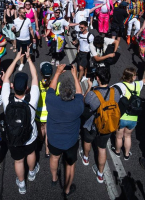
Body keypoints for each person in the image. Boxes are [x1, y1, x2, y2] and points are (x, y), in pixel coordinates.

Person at [1, 48, 40, 195]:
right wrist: (29, 59)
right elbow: (35, 76)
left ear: (12, 87)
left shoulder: (7, 99)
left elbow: (6, 78)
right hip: (30, 135)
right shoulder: (32, 98)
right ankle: (31, 172)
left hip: (13, 137)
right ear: (27, 88)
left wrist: (17, 58)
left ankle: (22, 184)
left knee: (18, 161)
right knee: (31, 153)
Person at [46, 64, 84, 197]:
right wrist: (75, 75)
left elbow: (51, 89)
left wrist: (57, 73)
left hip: (54, 139)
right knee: (70, 165)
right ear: (72, 93)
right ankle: (67, 189)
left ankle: (54, 179)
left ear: (60, 92)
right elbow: (80, 94)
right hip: (71, 142)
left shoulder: (51, 101)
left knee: (54, 158)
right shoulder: (78, 106)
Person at [80, 67, 121, 183]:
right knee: (102, 148)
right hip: (108, 125)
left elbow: (85, 101)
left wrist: (89, 87)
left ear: (97, 78)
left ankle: (86, 158)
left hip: (93, 125)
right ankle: (100, 174)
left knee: (87, 141)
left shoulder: (93, 94)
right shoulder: (115, 92)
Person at [112, 68, 145, 160]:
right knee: (127, 136)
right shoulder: (137, 85)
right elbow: (143, 81)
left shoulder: (120, 85)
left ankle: (117, 151)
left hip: (122, 116)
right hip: (133, 117)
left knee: (119, 137)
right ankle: (126, 154)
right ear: (133, 77)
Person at [35, 62, 60, 158]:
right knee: (48, 132)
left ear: (41, 73)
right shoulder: (57, 85)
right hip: (50, 114)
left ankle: (40, 139)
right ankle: (47, 151)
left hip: (39, 114)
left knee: (41, 129)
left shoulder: (37, 85)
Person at [12, 7, 36, 71]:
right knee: (20, 52)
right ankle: (22, 63)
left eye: (25, 12)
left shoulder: (28, 20)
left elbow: (31, 29)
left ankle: (29, 60)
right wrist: (13, 29)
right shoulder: (15, 21)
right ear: (19, 13)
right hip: (19, 39)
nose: (25, 13)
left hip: (27, 39)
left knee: (29, 51)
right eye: (24, 12)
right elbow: (14, 31)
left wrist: (33, 37)